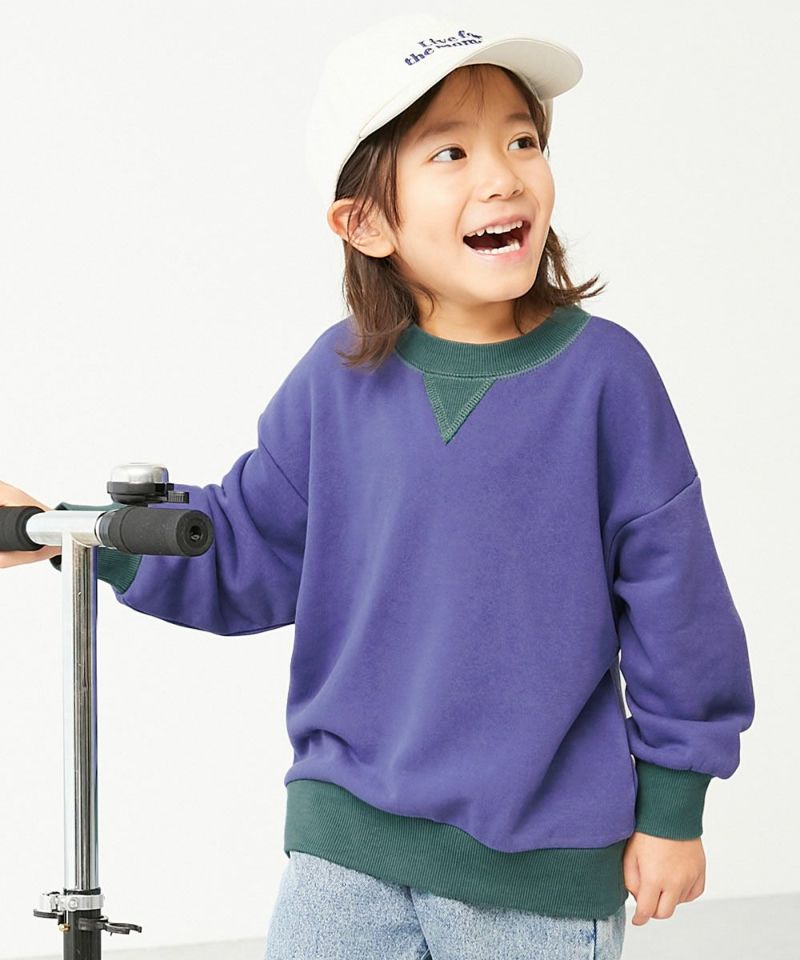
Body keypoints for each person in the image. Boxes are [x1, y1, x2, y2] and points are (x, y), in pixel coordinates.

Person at [0, 13, 756, 960]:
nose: (503, 174)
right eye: (451, 152)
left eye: (522, 140)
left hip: (537, 868)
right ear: (367, 220)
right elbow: (242, 544)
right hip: (345, 847)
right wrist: (70, 530)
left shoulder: (606, 379)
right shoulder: (337, 380)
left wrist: (675, 808)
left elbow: (679, 604)